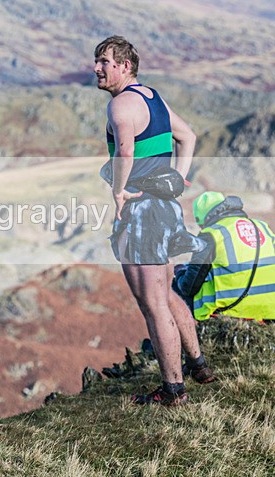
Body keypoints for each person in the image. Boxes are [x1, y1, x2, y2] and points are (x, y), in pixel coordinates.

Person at [94, 36, 215, 406]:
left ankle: (173, 390)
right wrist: (175, 180)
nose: (97, 68)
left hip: (141, 213)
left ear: (124, 66)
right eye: (96, 61)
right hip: (164, 209)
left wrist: (118, 192)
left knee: (152, 302)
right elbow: (188, 136)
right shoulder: (152, 96)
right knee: (165, 291)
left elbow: (126, 152)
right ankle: (198, 364)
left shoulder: (121, 106)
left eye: (104, 61)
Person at [173, 191, 275, 321]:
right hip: (269, 310)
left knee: (174, 291)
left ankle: (171, 340)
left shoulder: (211, 234)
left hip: (235, 309)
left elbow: (189, 287)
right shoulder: (263, 227)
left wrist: (180, 272)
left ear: (204, 219)